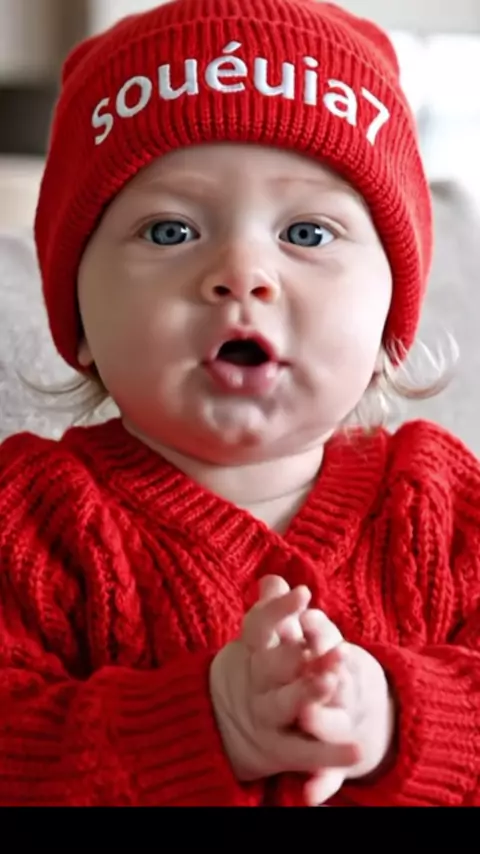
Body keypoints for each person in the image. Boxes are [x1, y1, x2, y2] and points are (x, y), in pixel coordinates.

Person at [0, 0, 478, 808]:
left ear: (390, 321)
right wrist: (206, 721)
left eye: (309, 234)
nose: (242, 273)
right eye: (169, 232)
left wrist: (396, 713)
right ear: (76, 317)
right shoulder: (33, 519)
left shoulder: (443, 504)